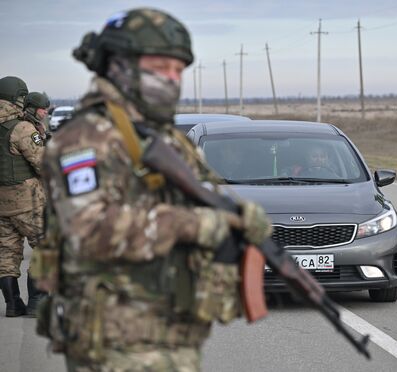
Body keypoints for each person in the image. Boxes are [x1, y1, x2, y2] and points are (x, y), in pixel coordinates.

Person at [31, 8, 272, 371]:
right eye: (161, 67)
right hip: (115, 342)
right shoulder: (86, 138)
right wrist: (200, 224)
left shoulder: (157, 136)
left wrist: (236, 221)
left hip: (166, 332)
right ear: (120, 65)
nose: (173, 79)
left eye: (179, 70)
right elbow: (88, 230)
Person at [0, 76, 46, 317]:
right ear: (17, 97)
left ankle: (13, 305)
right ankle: (37, 302)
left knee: (7, 254)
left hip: (1, 206)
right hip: (27, 202)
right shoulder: (22, 128)